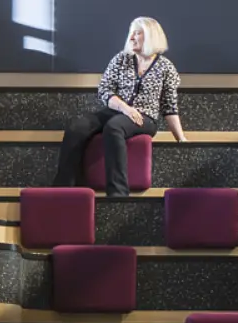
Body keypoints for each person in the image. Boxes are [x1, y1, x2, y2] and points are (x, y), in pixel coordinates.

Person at [54, 16, 186, 197]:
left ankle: (118, 193)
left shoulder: (166, 68)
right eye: (131, 33)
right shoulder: (121, 59)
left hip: (145, 118)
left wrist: (181, 139)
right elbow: (105, 90)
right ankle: (64, 189)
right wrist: (125, 108)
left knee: (114, 126)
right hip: (117, 109)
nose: (131, 37)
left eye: (137, 33)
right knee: (78, 126)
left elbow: (169, 107)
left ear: (151, 37)